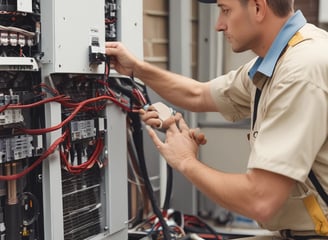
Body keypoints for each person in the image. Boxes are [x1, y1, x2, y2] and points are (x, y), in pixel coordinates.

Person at [106, 0, 328, 239]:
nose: (218, 25)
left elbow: (261, 200)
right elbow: (198, 94)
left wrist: (185, 161)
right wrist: (136, 68)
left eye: (225, 10)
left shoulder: (300, 71)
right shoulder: (277, 61)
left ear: (257, 7)